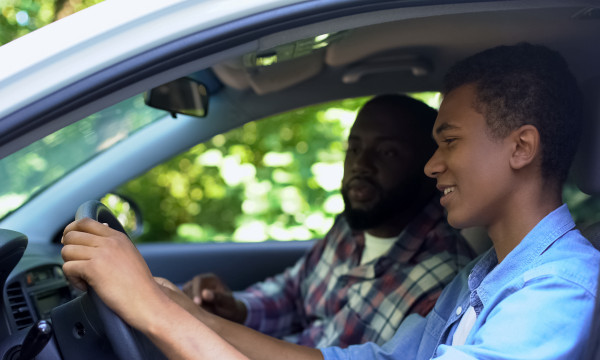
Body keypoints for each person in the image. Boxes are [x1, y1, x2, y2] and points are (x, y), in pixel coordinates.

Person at [61, 42, 600, 360]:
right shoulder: (484, 277)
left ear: (521, 147)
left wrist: (149, 311)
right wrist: (181, 310)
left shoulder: (558, 289)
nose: (432, 164)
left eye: (449, 141)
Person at [180, 94, 474, 348]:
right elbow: (294, 291)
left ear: (431, 167)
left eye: (387, 152)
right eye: (354, 148)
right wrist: (237, 309)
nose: (361, 165)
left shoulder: (444, 281)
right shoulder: (352, 226)